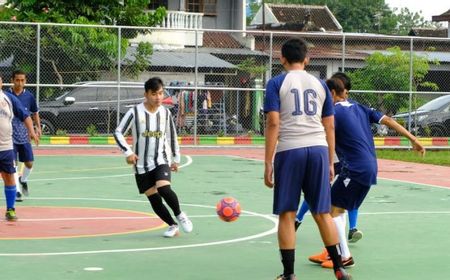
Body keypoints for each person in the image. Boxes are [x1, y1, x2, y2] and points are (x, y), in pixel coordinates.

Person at [308, 77, 425, 269]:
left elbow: (324, 137)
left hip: (355, 169)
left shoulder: (333, 113)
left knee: (329, 210)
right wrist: (413, 138)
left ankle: (343, 256)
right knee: (338, 208)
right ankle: (332, 251)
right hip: (369, 167)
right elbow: (387, 120)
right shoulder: (359, 107)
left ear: (330, 94)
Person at [264, 38, 351, 280]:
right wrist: (331, 159)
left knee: (287, 214)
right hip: (318, 149)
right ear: (307, 60)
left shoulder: (276, 83)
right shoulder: (321, 85)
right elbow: (330, 125)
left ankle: (289, 274)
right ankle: (338, 267)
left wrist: (268, 162)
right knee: (323, 212)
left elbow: (273, 122)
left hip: (290, 150)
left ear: (281, 59)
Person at [114, 77, 193, 238]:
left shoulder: (165, 113)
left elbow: (172, 136)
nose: (158, 98)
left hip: (161, 159)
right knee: (153, 198)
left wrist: (176, 158)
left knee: (164, 187)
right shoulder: (135, 112)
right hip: (141, 164)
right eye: (154, 94)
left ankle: (179, 214)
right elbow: (118, 132)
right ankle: (172, 226)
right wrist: (128, 152)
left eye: (161, 93)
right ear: (146, 94)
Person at [295, 72, 362, 243]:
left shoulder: (349, 108)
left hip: (343, 159)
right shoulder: (326, 106)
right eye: (343, 91)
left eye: (347, 92)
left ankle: (352, 228)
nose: (345, 94)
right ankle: (298, 218)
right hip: (327, 155)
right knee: (318, 191)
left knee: (347, 193)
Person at [0, 75, 38, 221]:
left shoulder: (9, 99)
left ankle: (10, 209)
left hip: (5, 146)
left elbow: (26, 116)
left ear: (2, 82)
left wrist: (32, 131)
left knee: (9, 177)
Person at [5, 70, 41, 201]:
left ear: (25, 81)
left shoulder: (29, 96)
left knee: (29, 163)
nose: (20, 83)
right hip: (9, 135)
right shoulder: (6, 95)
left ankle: (23, 179)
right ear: (12, 80)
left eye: (22, 80)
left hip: (25, 134)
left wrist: (37, 128)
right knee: (12, 164)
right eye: (17, 80)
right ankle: (17, 191)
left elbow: (35, 112)